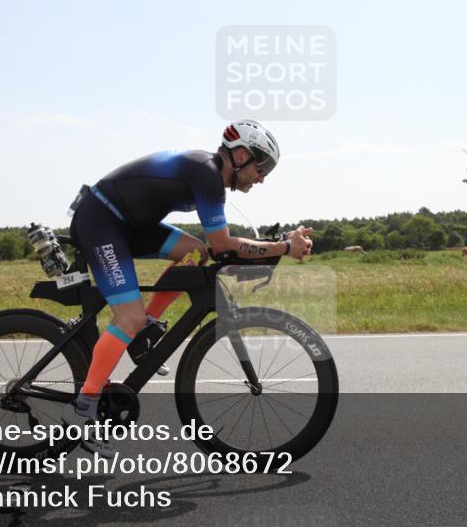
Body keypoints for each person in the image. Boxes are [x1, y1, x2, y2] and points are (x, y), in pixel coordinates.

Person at [61, 120, 313, 456]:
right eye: (261, 167)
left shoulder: (210, 173)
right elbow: (223, 243)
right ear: (240, 156)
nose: (262, 177)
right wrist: (283, 246)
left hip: (128, 223)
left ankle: (145, 328)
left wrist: (278, 244)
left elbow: (216, 247)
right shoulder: (207, 176)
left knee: (195, 253)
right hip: (101, 222)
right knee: (128, 316)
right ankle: (83, 409)